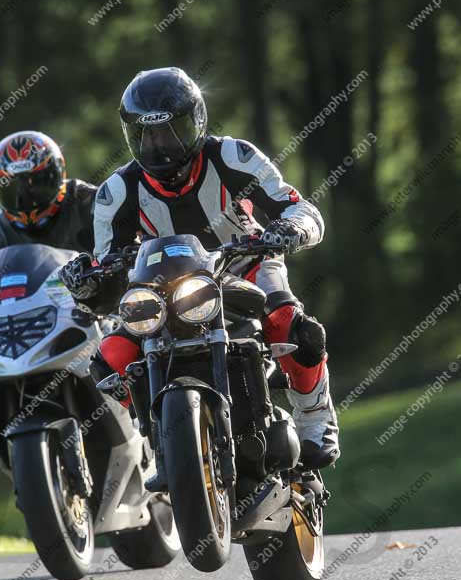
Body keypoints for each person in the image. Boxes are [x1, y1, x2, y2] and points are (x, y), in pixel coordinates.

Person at [61, 68, 339, 469]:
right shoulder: (115, 192)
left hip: (245, 264)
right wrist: (87, 282)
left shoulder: (232, 155)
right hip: (162, 289)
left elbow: (297, 205)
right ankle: (158, 436)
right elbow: (109, 269)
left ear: (197, 120)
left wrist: (290, 228)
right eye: (147, 134)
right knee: (109, 356)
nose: (160, 145)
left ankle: (315, 420)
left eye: (172, 130)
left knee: (291, 323)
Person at [0, 131, 96, 343]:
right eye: (14, 187)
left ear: (59, 174)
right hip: (13, 332)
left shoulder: (92, 204)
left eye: (37, 183)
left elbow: (125, 251)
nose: (26, 197)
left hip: (91, 319)